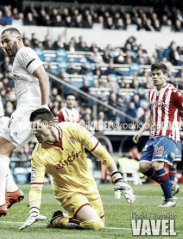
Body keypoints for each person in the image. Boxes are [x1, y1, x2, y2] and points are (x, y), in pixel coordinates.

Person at [19, 108, 135, 231]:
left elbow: (101, 152)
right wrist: (34, 209)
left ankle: (62, 216)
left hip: (88, 184)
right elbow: (36, 186)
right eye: (32, 128)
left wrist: (117, 177)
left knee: (100, 222)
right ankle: (58, 221)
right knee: (95, 224)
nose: (34, 131)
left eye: (37, 127)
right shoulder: (38, 154)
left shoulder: (73, 129)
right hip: (67, 191)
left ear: (50, 124)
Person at [0, 27, 49, 219]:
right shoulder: (20, 58)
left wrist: (45, 108)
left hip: (28, 112)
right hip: (28, 112)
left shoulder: (24, 52)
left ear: (19, 38)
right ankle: (13, 190)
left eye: (7, 40)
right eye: (2, 42)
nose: (4, 45)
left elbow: (44, 76)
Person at [133, 62, 183, 207]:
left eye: (158, 74)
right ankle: (170, 185)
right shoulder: (151, 93)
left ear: (165, 75)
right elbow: (151, 116)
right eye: (153, 74)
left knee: (157, 164)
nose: (155, 77)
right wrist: (141, 131)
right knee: (143, 166)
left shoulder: (174, 93)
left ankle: (169, 199)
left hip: (168, 134)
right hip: (153, 135)